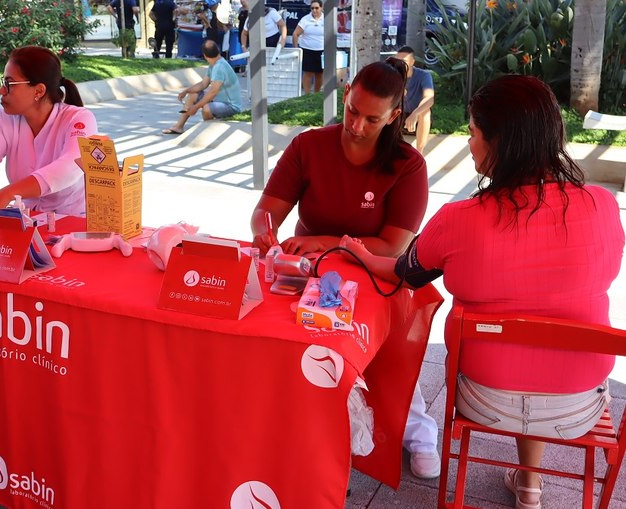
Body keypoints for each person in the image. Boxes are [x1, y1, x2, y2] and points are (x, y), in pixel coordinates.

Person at [339, 75, 625, 508]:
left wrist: (353, 250)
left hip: (485, 400)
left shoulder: (459, 219)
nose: (470, 143)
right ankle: (529, 485)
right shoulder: (603, 206)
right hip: (576, 409)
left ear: (499, 145)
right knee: (550, 329)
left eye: (472, 133)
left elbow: (402, 274)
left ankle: (525, 481)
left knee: (516, 347)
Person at [250, 58, 440, 480]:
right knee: (289, 341)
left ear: (394, 116)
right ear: (347, 93)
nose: (356, 125)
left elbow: (394, 245)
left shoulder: (408, 166)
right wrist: (265, 231)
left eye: (372, 119)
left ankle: (417, 427)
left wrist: (328, 242)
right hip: (309, 272)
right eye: (352, 110)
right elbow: (267, 210)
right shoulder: (309, 145)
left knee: (384, 358)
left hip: (376, 276)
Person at [0, 46, 97, 221]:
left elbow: (69, 168)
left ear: (39, 91)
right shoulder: (5, 119)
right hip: (26, 222)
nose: (1, 91)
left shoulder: (79, 119)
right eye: (2, 82)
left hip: (73, 224)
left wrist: (5, 195)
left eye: (9, 84)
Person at [162, 40, 241, 135]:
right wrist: (186, 91)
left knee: (207, 108)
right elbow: (203, 84)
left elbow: (213, 92)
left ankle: (208, 131)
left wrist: (195, 107)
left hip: (231, 106)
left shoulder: (219, 67)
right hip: (218, 101)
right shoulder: (214, 64)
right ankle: (179, 127)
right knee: (193, 95)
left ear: (204, 55)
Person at [396, 46, 433, 153]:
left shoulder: (423, 75)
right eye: (398, 61)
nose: (400, 64)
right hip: (398, 114)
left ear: (412, 62)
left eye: (404, 61)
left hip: (417, 115)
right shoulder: (393, 75)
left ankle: (419, 153)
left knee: (425, 111)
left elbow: (429, 98)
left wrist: (415, 114)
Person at [293, 0, 325, 95]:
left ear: (321, 8)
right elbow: (295, 34)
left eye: (316, 8)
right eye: (312, 8)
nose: (314, 10)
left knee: (319, 74)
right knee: (308, 73)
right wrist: (296, 49)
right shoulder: (305, 19)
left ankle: (316, 95)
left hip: (321, 51)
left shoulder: (326, 19)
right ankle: (306, 95)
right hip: (307, 50)